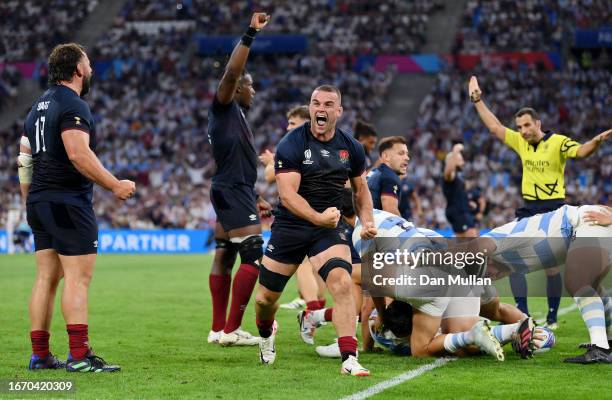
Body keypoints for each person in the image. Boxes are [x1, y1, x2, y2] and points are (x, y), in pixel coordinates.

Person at [19, 43, 135, 372]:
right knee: (78, 279)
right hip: (67, 201)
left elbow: (23, 158)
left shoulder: (36, 107)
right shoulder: (74, 105)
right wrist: (114, 184)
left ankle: (40, 356)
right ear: (78, 70)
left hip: (40, 201)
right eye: (89, 65)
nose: (92, 71)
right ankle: (80, 356)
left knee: (45, 278)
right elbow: (77, 153)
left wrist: (29, 199)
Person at [469, 75, 611, 327]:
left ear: (538, 123)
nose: (522, 131)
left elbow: (581, 151)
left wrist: (596, 142)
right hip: (528, 209)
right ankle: (523, 313)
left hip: (553, 208)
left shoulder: (557, 142)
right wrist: (478, 101)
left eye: (526, 125)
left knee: (552, 268)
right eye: (519, 127)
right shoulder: (520, 142)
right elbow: (495, 128)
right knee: (511, 262)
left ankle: (553, 316)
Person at [254, 84, 377, 376]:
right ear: (310, 108)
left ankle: (349, 357)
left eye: (327, 104)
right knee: (264, 300)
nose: (320, 109)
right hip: (291, 225)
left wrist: (367, 221)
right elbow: (288, 195)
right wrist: (317, 217)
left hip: (328, 229)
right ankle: (266, 330)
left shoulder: (351, 148)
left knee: (342, 283)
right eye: (315, 103)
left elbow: (361, 191)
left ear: (338, 111)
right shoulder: (292, 143)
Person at [352, 209, 536, 360]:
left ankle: (500, 332)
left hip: (438, 274)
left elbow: (366, 283)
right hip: (461, 261)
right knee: (496, 311)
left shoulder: (362, 232)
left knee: (430, 348)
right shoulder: (391, 220)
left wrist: (369, 339)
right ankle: (536, 333)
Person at [468, 204, 612, 363]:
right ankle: (606, 342)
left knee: (577, 282)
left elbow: (475, 246)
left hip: (586, 221)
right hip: (586, 224)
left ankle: (600, 348)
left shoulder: (500, 238)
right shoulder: (511, 259)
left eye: (487, 273)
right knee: (593, 285)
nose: (491, 277)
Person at [207, 13, 272, 347]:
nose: (254, 90)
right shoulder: (223, 104)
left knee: (225, 253)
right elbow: (232, 72)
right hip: (231, 190)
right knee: (253, 254)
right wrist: (250, 34)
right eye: (250, 86)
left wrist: (256, 194)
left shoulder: (237, 116)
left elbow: (239, 163)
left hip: (233, 188)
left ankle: (218, 328)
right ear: (236, 89)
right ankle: (231, 329)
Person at [259, 105, 327, 312]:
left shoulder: (294, 145)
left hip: (300, 214)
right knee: (318, 266)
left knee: (303, 264)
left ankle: (313, 311)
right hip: (321, 211)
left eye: (293, 123)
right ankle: (317, 306)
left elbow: (271, 176)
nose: (288, 128)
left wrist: (271, 161)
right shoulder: (324, 145)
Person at [366, 136, 409, 216]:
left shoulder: (373, 172)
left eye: (407, 154)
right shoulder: (390, 177)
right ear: (386, 156)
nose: (407, 158)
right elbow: (390, 212)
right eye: (401, 153)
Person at [442, 143, 478, 237]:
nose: (463, 162)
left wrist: (468, 203)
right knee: (472, 241)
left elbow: (457, 194)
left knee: (464, 245)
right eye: (460, 160)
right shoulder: (450, 175)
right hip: (459, 213)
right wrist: (455, 150)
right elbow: (449, 170)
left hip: (462, 212)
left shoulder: (458, 177)